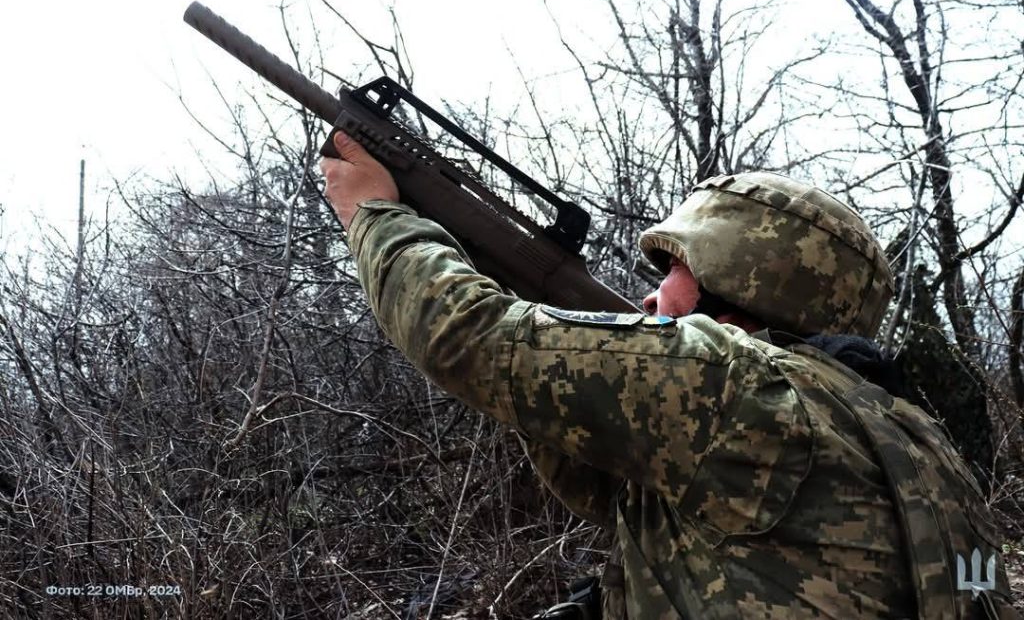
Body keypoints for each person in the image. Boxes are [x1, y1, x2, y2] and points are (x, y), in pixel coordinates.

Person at [320, 131, 1013, 619]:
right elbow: (611, 486)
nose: (652, 299)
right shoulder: (924, 447)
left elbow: (459, 334)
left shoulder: (733, 384)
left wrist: (374, 215)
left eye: (677, 274)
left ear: (740, 288)